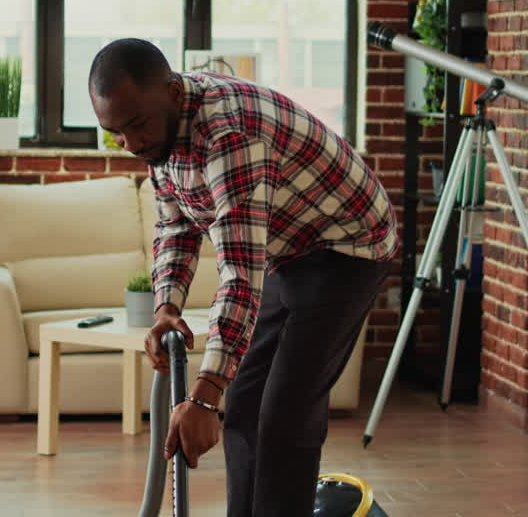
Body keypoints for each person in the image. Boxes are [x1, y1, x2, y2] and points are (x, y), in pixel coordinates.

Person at [88, 38, 399, 517]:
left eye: (136, 126)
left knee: (284, 414)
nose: (130, 144)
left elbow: (238, 276)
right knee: (247, 402)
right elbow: (175, 223)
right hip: (289, 245)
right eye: (115, 133)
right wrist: (167, 305)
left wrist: (204, 396)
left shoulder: (228, 135)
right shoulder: (161, 135)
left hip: (349, 244)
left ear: (173, 93)